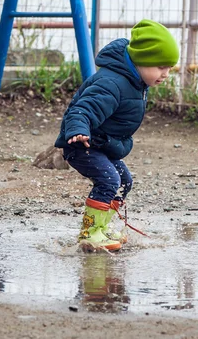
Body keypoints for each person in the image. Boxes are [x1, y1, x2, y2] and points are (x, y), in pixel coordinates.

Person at [54, 19, 179, 252]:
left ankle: (102, 227)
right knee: (110, 180)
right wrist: (79, 131)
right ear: (142, 61)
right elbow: (83, 108)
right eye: (161, 67)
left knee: (125, 182)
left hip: (102, 144)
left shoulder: (135, 82)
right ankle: (90, 233)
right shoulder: (112, 83)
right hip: (82, 144)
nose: (166, 73)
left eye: (170, 68)